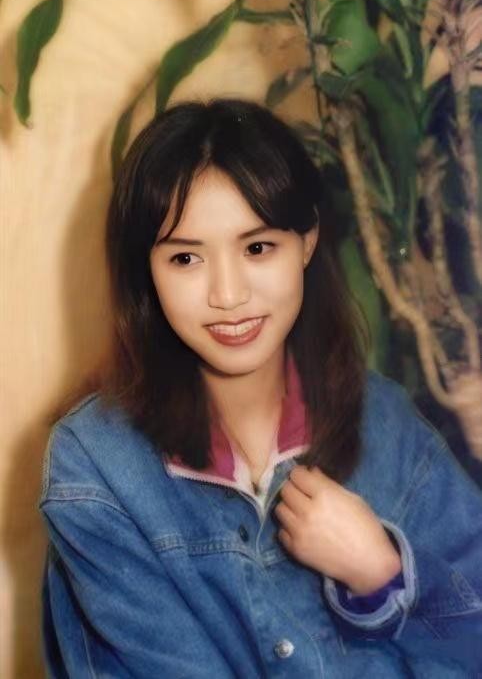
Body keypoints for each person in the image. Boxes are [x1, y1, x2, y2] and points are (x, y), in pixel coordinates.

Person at [39, 99, 482, 678]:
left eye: (256, 248)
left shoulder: (387, 424)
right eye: (186, 258)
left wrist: (383, 574)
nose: (228, 295)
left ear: (307, 242)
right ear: (147, 270)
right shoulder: (97, 467)